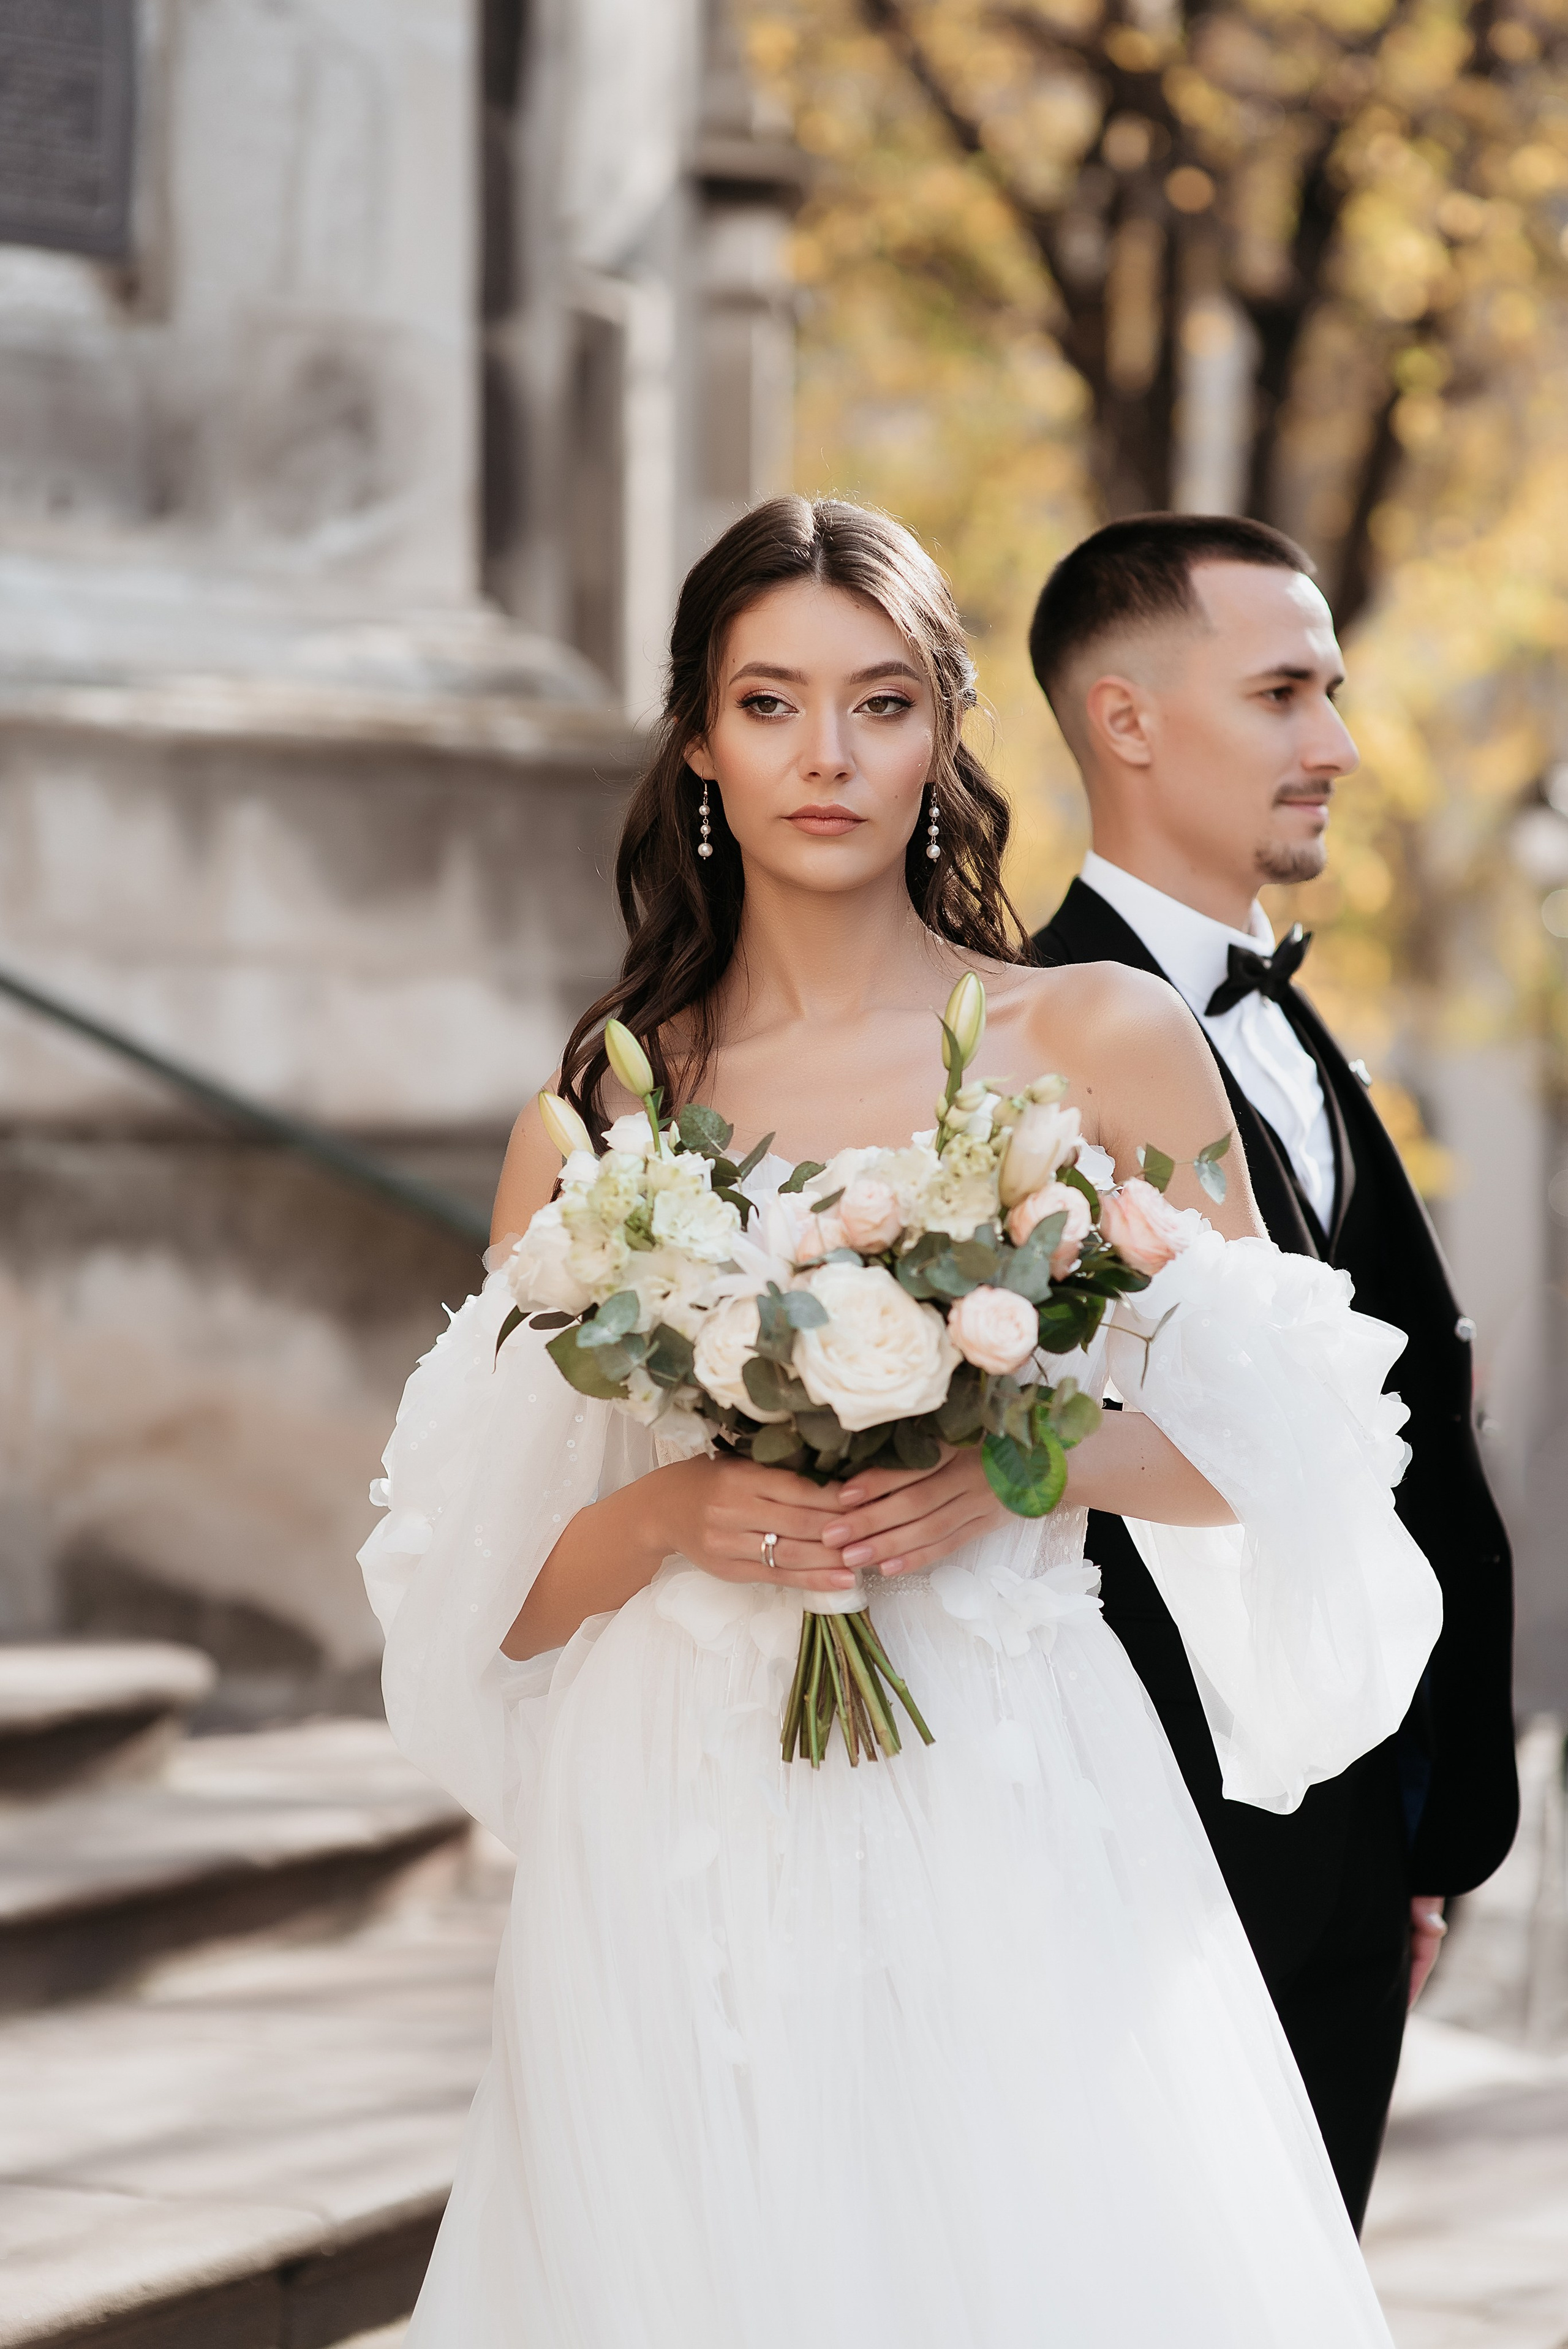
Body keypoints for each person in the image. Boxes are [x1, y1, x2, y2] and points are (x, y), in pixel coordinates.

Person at [361, 496, 1440, 2345]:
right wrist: (672, 1515)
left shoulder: (1091, 1039)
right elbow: (488, 1595)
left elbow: (1288, 1451)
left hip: (1008, 1775)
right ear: (700, 742)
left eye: (879, 703)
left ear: (943, 731)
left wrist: (1019, 1463)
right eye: (769, 703)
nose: (828, 756)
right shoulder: (600, 1119)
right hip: (675, 1810)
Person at [1029, 511, 1518, 2230]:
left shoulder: (1299, 1032)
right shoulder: (1021, 1042)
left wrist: (1414, 1829)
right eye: (1285, 693)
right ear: (1127, 718)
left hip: (1353, 1856)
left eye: (1335, 692)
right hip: (1154, 1862)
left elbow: (1398, 1435)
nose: (1339, 745)